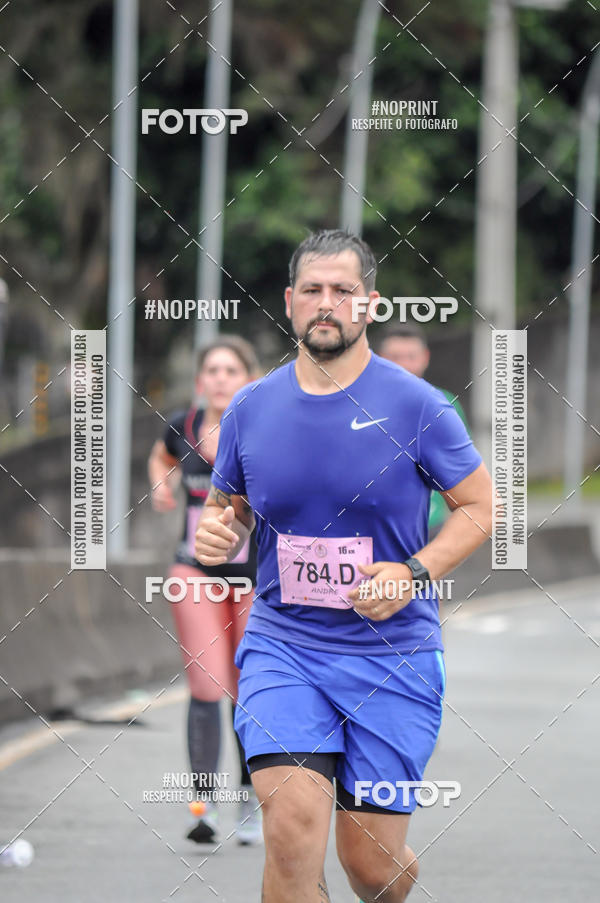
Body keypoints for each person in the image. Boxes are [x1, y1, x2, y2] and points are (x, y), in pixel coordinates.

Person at [194, 230, 493, 902]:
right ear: (289, 302)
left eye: (343, 291)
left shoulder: (418, 405)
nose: (326, 303)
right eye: (312, 290)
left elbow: (479, 505)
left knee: (371, 868)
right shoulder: (251, 407)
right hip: (284, 646)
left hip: (392, 655)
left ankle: (388, 874)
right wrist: (220, 534)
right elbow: (229, 508)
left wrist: (412, 572)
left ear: (369, 304)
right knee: (292, 829)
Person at [148, 335, 262, 846]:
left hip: (253, 577)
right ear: (200, 383)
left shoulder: (264, 430)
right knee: (205, 688)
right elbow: (160, 455)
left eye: (230, 371)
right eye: (211, 371)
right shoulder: (184, 427)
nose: (219, 379)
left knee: (246, 691)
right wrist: (160, 484)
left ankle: (250, 803)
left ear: (249, 379)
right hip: (193, 570)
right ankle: (203, 808)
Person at [377, 323, 469, 531]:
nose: (403, 364)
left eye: (411, 356)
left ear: (425, 357)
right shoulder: (361, 405)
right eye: (395, 357)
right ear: (380, 358)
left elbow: (463, 470)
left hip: (430, 525)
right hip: (376, 529)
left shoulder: (446, 404)